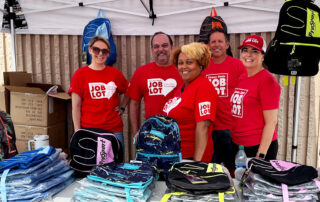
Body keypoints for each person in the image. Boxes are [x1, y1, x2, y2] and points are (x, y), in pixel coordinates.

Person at [68, 35, 129, 153]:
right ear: (90, 50)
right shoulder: (80, 75)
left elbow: (129, 90)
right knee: (91, 169)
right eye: (97, 50)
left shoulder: (115, 74)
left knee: (116, 167)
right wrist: (77, 131)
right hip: (89, 131)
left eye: (105, 51)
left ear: (108, 53)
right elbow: (76, 107)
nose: (100, 54)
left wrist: (122, 107)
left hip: (113, 130)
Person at [163, 42, 218, 162]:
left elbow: (203, 127)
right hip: (177, 155)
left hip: (191, 159)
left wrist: (196, 163)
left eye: (189, 62)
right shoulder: (181, 88)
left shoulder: (204, 87)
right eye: (180, 63)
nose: (183, 67)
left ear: (200, 64)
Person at [202, 29, 247, 171]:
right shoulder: (202, 67)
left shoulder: (238, 65)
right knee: (211, 171)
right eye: (213, 42)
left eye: (220, 41)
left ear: (227, 45)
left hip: (232, 129)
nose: (216, 45)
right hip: (209, 129)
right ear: (208, 45)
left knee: (235, 171)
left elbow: (246, 94)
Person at [230, 35, 281, 160]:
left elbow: (271, 122)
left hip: (257, 146)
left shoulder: (267, 81)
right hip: (238, 145)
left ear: (262, 56)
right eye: (245, 50)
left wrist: (261, 154)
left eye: (255, 51)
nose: (248, 54)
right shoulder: (240, 77)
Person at [126, 32, 183, 137]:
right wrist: (135, 133)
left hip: (179, 131)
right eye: (156, 46)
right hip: (152, 132)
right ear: (152, 50)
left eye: (165, 45)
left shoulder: (183, 71)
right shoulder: (141, 72)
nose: (160, 49)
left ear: (172, 47)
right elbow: (134, 104)